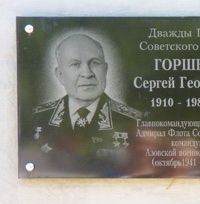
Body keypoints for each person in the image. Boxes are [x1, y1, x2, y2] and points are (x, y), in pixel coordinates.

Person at [32, 34, 142, 169]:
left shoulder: (133, 120)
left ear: (105, 70)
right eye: (75, 64)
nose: (87, 73)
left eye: (95, 63)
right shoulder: (37, 117)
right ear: (60, 74)